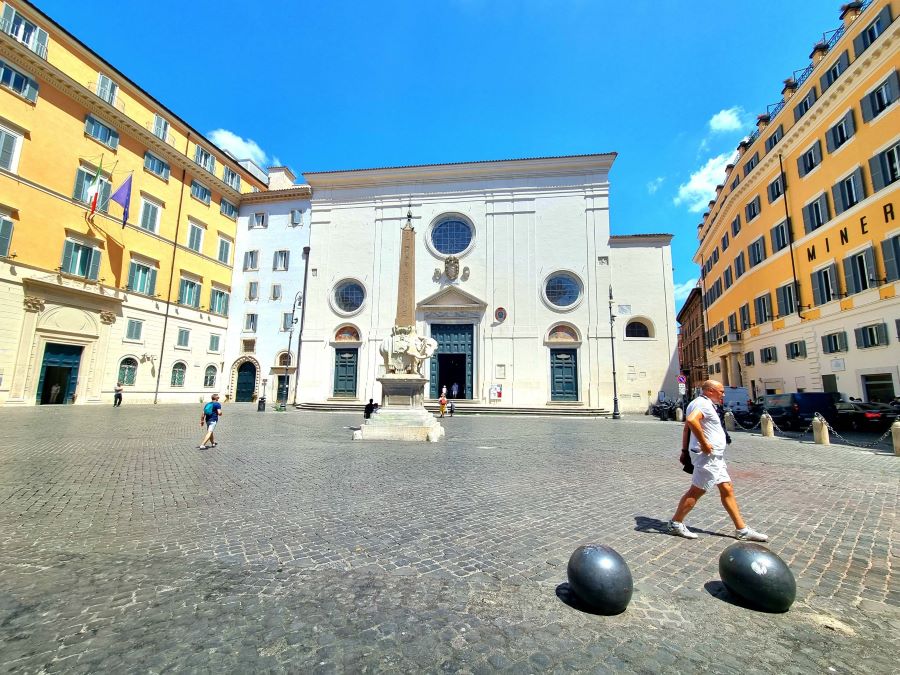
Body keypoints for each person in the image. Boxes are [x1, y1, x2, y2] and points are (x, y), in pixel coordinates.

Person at [667, 379, 768, 542]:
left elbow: (686, 428)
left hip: (715, 457)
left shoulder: (699, 403)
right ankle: (675, 523)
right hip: (708, 457)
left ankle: (741, 529)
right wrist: (705, 444)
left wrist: (684, 450)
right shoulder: (703, 404)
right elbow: (691, 421)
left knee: (727, 488)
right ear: (710, 391)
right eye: (721, 391)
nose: (723, 395)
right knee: (697, 490)